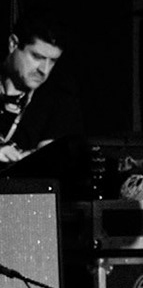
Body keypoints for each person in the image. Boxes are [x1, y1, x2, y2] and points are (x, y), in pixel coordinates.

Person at [0, 16, 83, 172]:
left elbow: (51, 165)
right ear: (13, 44)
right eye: (37, 57)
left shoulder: (58, 99)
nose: (44, 70)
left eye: (52, 61)